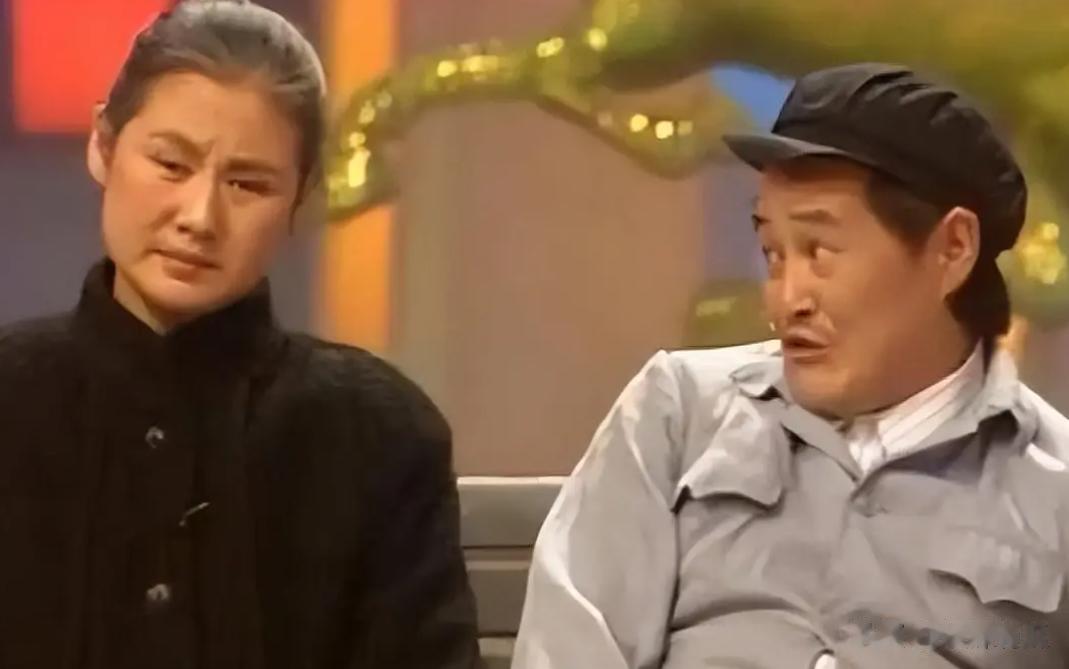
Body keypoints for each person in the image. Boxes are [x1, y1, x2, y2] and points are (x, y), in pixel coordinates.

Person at [512, 63, 1069, 669]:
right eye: (773, 254)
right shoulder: (679, 415)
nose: (785, 299)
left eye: (819, 251)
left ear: (952, 249)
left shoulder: (1054, 487)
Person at [0, 2, 481, 667]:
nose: (199, 217)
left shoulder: (379, 434)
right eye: (171, 165)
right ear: (102, 147)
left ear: (301, 199)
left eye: (247, 184)